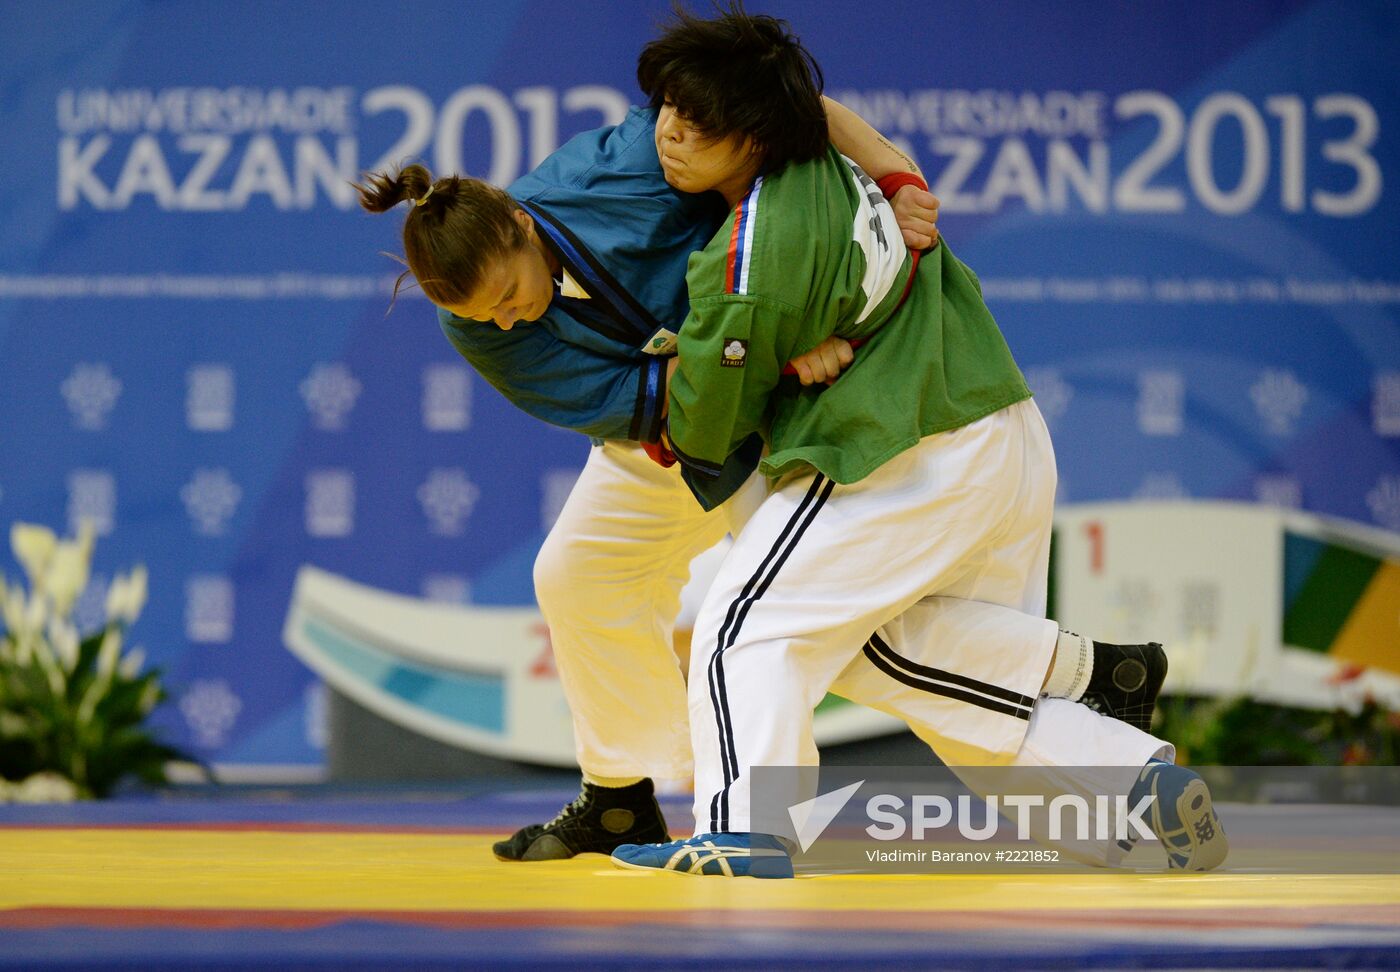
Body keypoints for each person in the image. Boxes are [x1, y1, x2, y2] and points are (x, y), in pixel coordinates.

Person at [356, 75, 1169, 864]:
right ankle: (618, 793)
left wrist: (896, 175)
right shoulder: (477, 331)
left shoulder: (626, 160)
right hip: (679, 430)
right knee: (577, 574)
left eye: (507, 293)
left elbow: (789, 107)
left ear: (520, 226)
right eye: (481, 315)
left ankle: (1084, 682)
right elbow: (673, 403)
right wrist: (779, 341)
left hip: (772, 424)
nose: (506, 319)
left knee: (823, 633)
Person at [607, 7, 1226, 878]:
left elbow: (702, 423)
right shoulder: (837, 164)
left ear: (753, 137)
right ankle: (1132, 791)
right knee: (928, 684)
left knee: (746, 630)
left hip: (901, 446)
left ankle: (744, 833)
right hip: (996, 424)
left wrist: (707, 370)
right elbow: (828, 119)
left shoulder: (750, 256)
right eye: (666, 107)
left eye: (696, 121)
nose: (669, 132)